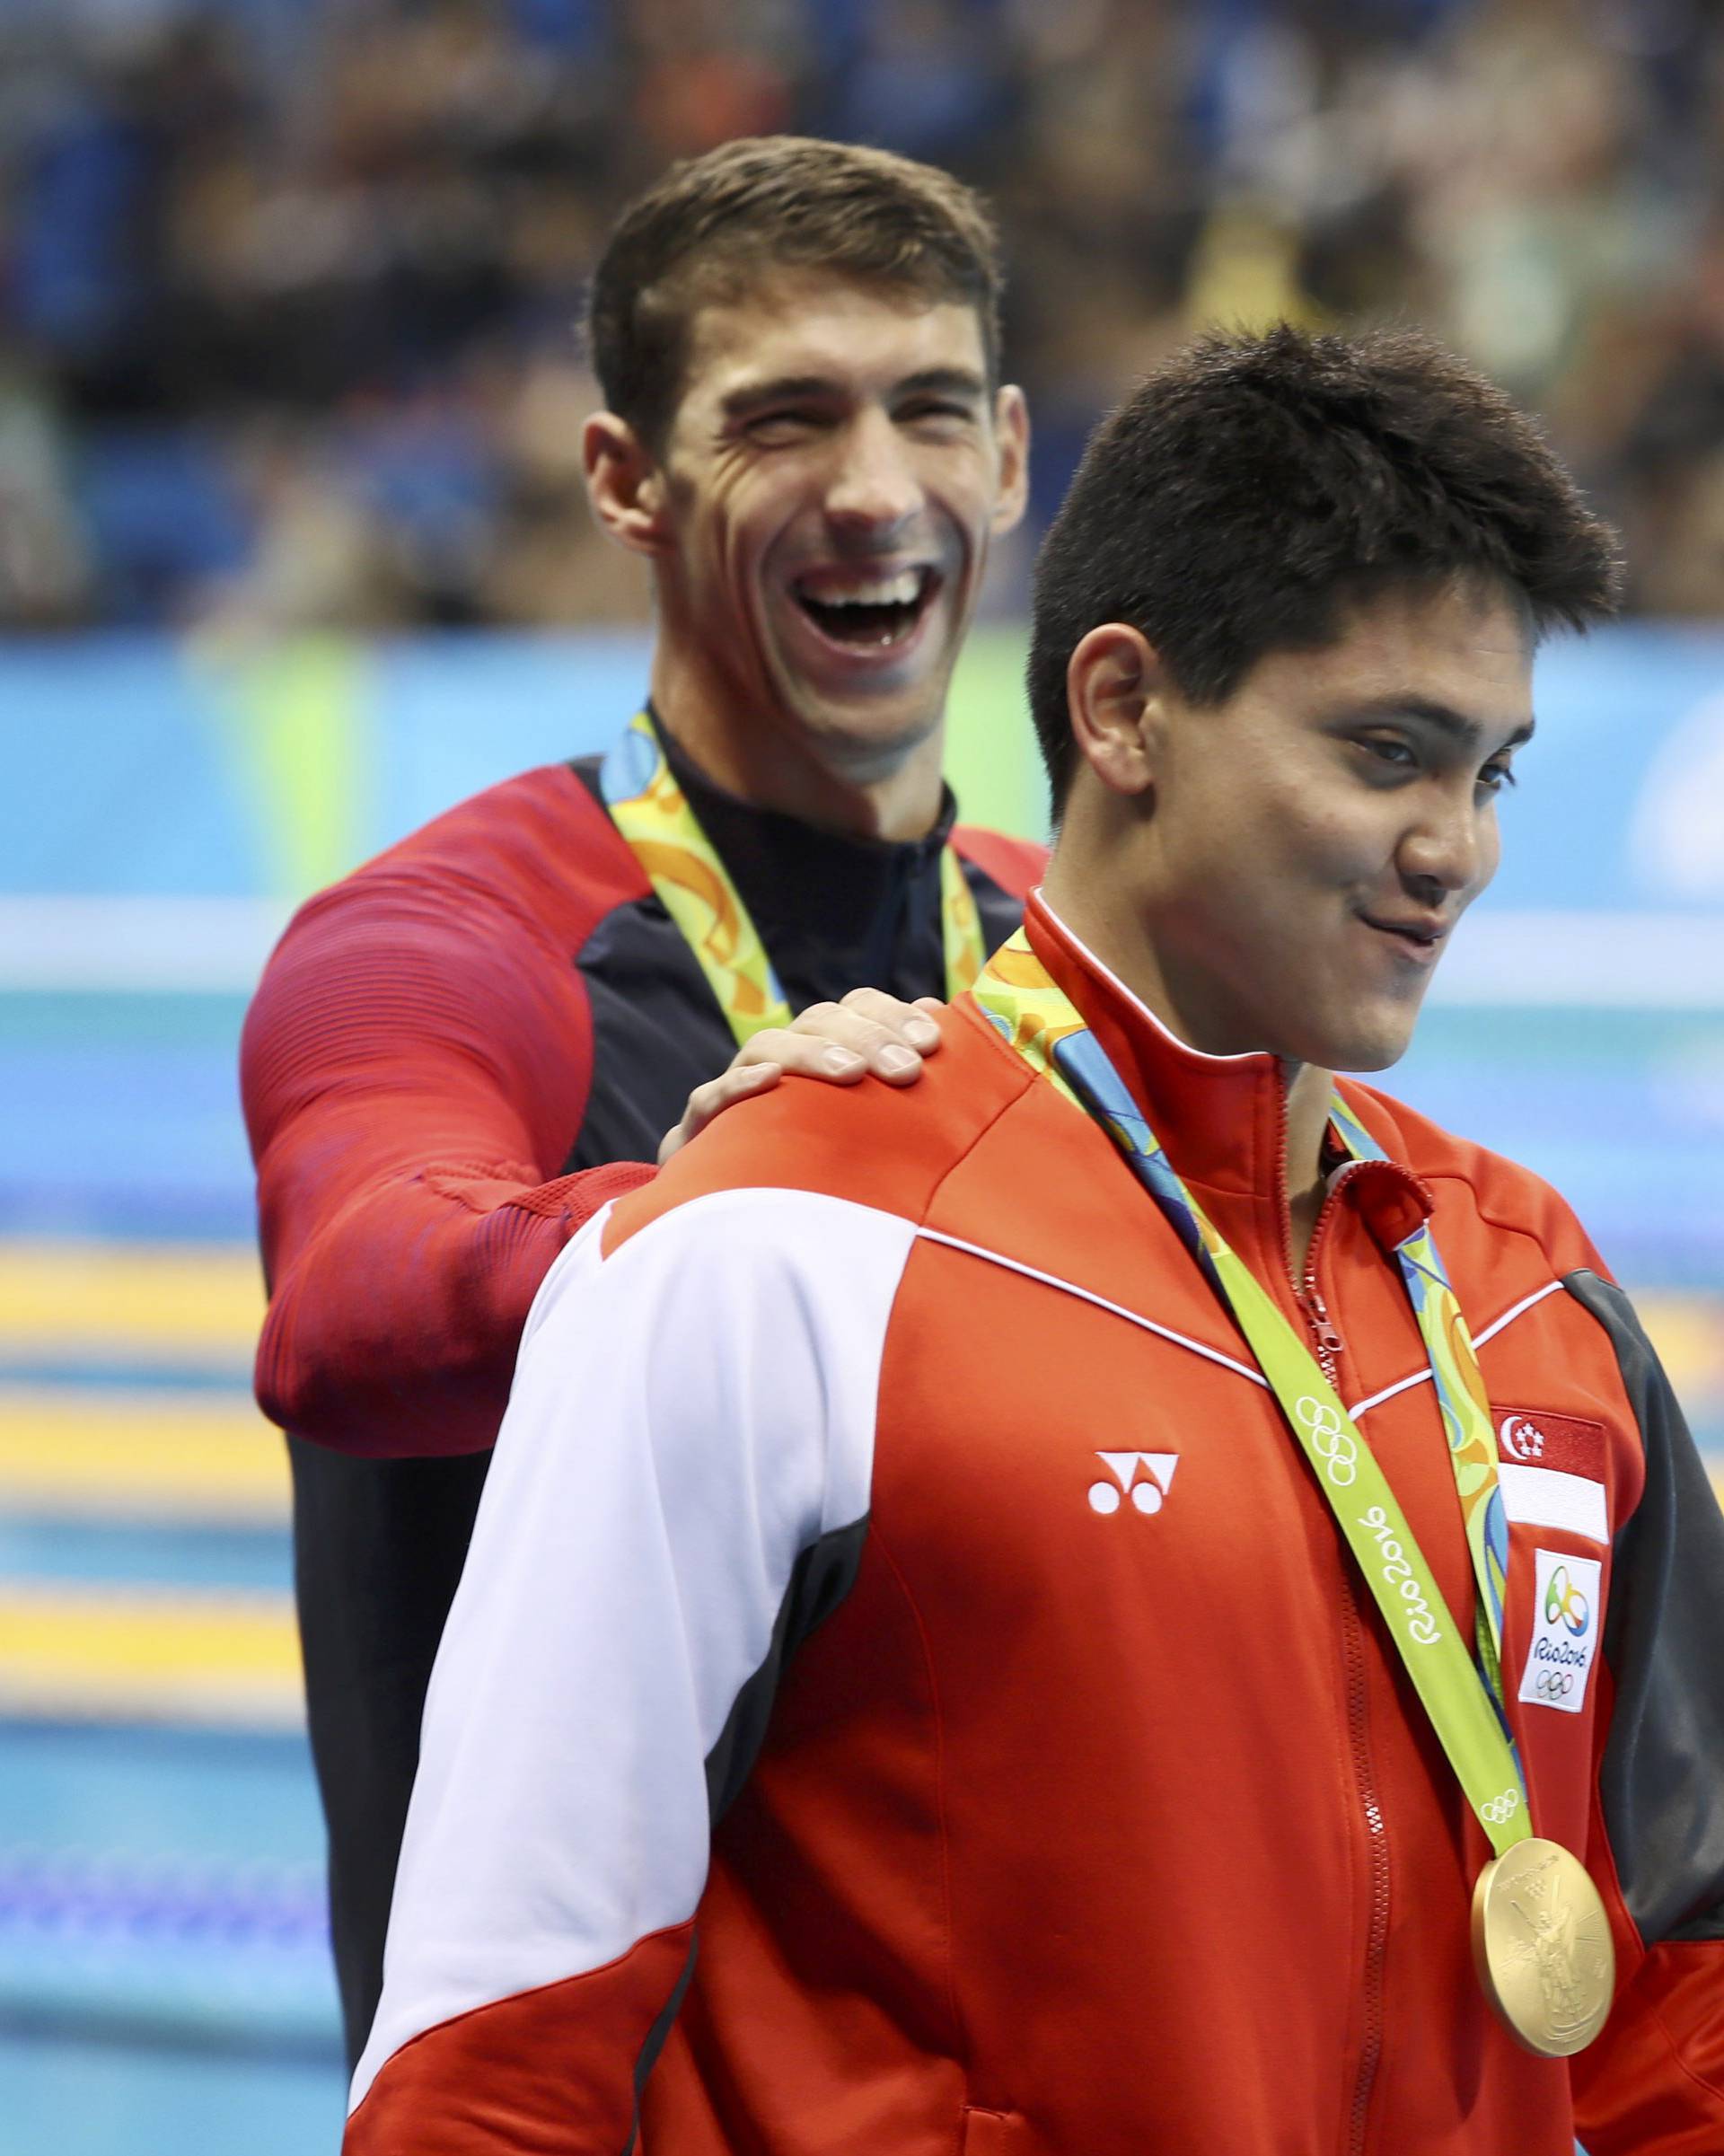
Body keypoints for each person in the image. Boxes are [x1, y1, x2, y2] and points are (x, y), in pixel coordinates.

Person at [346, 324, 1724, 2154]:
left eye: (1492, 775)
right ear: (1123, 709)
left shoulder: (1529, 1290)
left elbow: (1680, 1992)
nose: (1453, 846)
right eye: (1387, 752)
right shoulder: (783, 1248)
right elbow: (495, 2054)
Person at [239, 135, 1039, 2069]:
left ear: (1011, 458)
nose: (875, 488)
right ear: (627, 482)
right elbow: (353, 1307)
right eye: (784, 420)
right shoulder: (450, 937)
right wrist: (693, 1231)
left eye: (929, 409)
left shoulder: (1064, 964)